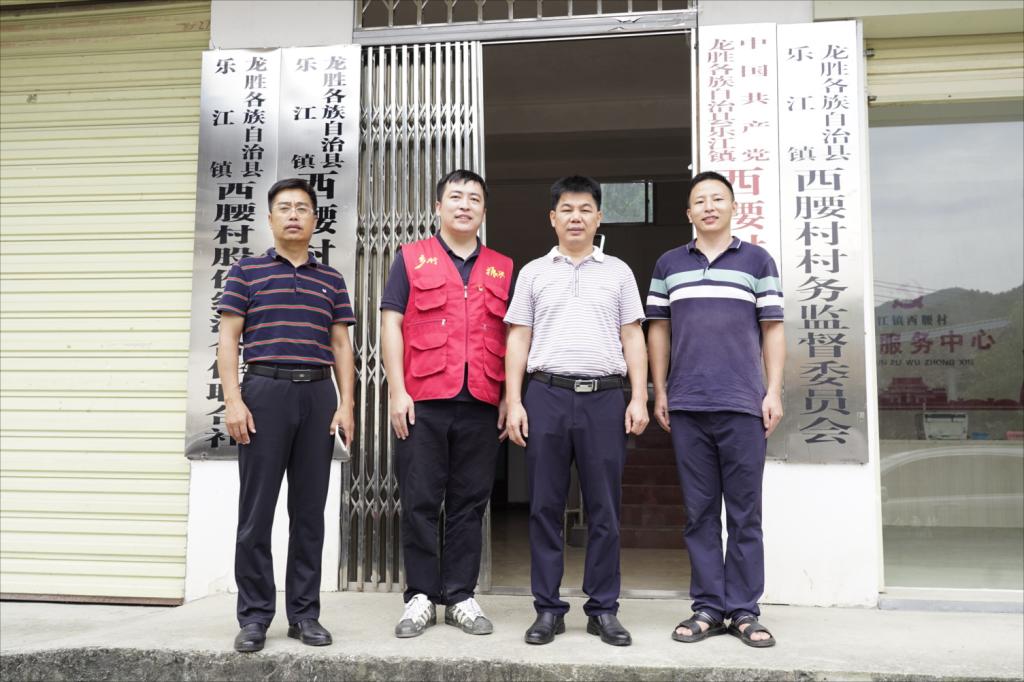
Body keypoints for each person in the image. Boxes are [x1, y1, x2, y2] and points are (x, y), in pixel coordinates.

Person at [505, 175, 649, 647]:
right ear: (552, 218)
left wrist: (639, 396)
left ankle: (603, 609)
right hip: (546, 395)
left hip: (604, 398)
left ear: (599, 217)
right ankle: (548, 609)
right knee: (544, 507)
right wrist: (514, 400)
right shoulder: (533, 273)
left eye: (585, 209)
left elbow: (632, 335)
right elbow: (519, 338)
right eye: (567, 209)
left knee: (605, 508)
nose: (576, 217)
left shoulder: (619, 272)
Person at [646, 170, 785, 648]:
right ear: (689, 212)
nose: (709, 206)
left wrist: (773, 390)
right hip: (687, 404)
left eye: (717, 199)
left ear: (732, 207)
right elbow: (658, 329)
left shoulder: (758, 261)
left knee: (745, 514)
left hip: (743, 405)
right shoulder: (668, 264)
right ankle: (708, 607)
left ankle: (744, 610)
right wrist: (660, 390)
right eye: (700, 200)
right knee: (699, 513)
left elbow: (772, 328)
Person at [217, 177, 356, 653]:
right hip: (264, 392)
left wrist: (346, 403)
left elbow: (341, 345)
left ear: (315, 219)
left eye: (302, 207)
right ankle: (255, 616)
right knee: (256, 513)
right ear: (270, 218)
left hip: (317, 394)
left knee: (309, 513)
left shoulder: (330, 279)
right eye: (284, 207)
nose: (293, 215)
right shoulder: (246, 272)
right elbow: (228, 339)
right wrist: (233, 400)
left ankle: (304, 615)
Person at [380, 169, 513, 638]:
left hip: (481, 400)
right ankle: (419, 595)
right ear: (438, 207)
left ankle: (459, 595)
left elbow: (514, 335)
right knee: (419, 500)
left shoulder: (502, 267)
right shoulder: (410, 258)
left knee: (469, 502)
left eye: (474, 198)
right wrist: (397, 390)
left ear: (484, 211)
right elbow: (391, 323)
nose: (464, 205)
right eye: (455, 197)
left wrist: (509, 397)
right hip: (424, 400)